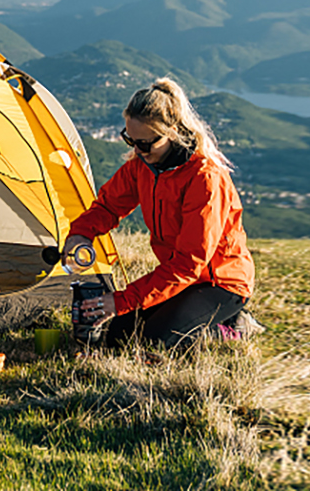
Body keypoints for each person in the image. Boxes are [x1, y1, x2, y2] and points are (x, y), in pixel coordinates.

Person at [63, 79, 253, 348]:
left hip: (219, 283)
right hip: (179, 280)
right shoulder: (143, 165)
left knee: (155, 343)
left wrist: (121, 301)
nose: (137, 151)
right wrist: (81, 233)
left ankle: (231, 327)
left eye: (145, 143)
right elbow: (108, 206)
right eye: (131, 140)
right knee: (119, 336)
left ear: (171, 132)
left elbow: (189, 263)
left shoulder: (205, 178)